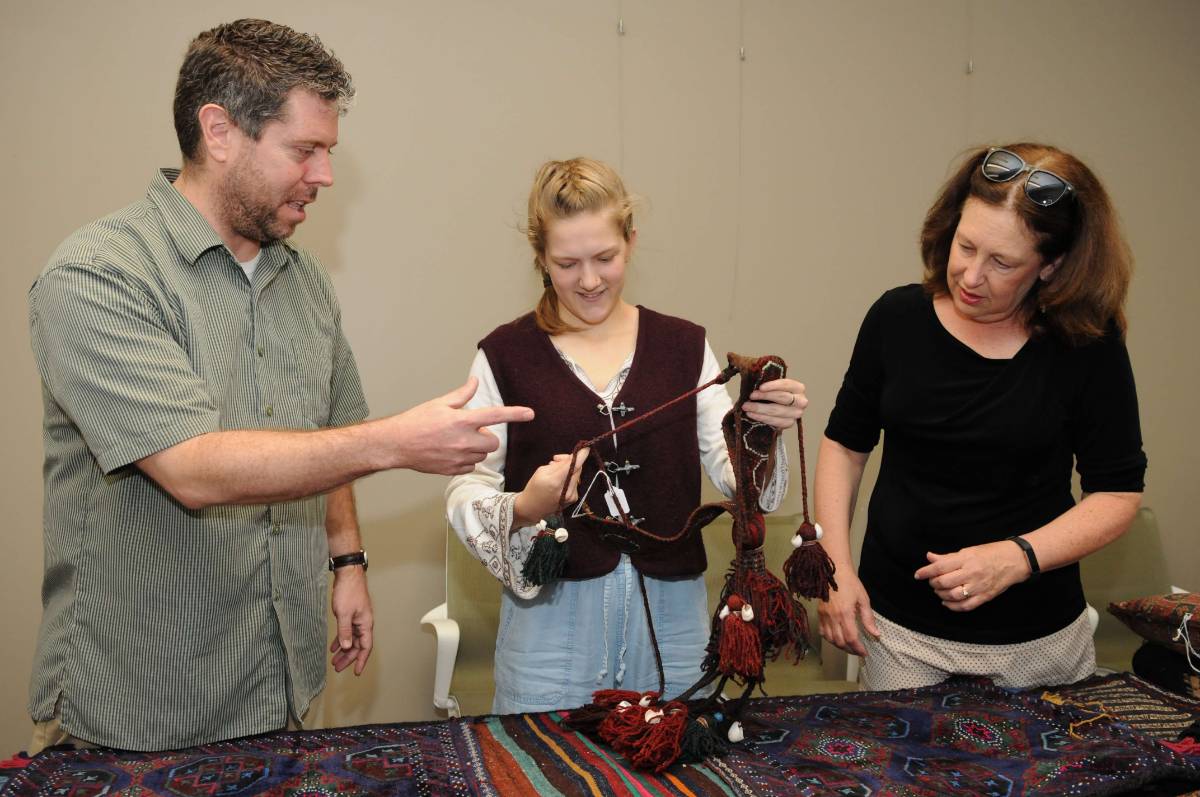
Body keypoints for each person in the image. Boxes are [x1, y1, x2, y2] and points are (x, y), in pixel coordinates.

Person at [27, 19, 532, 753]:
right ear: (220, 131)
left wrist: (348, 561)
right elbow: (193, 467)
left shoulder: (305, 284)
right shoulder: (98, 276)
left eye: (328, 151)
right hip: (138, 707)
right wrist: (395, 442)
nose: (325, 175)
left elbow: (327, 433)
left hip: (282, 687)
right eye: (306, 150)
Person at [445, 157, 808, 714]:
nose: (589, 280)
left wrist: (761, 431)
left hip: (672, 627)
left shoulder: (683, 346)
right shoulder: (504, 355)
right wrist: (523, 506)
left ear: (631, 242)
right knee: (546, 771)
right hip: (550, 633)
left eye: (605, 258)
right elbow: (465, 489)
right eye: (567, 263)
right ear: (540, 257)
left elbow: (743, 485)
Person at [815, 143, 1146, 690]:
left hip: (1040, 645)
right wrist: (834, 569)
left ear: (1053, 266)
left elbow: (1117, 495)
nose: (970, 275)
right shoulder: (896, 319)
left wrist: (1018, 558)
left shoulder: (1087, 343)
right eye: (965, 246)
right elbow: (845, 447)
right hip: (899, 637)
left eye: (1003, 263)